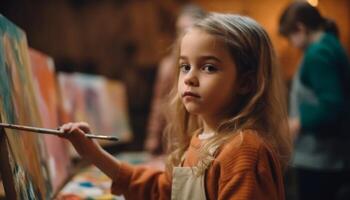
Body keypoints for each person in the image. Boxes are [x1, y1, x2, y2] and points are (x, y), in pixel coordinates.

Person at [60, 13, 292, 199]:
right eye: (185, 66)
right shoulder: (201, 138)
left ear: (245, 82)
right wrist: (93, 153)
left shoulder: (245, 152)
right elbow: (163, 190)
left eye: (209, 67)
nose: (190, 78)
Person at [279, 2, 350, 200]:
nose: (291, 43)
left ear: (300, 28)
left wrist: (297, 122)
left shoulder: (318, 54)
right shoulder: (330, 44)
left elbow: (333, 106)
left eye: (289, 36)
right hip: (331, 156)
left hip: (320, 158)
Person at [145, 4, 207, 154]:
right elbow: (158, 103)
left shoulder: (209, 64)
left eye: (189, 30)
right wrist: (153, 137)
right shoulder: (167, 66)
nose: (183, 35)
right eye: (180, 30)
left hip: (202, 132)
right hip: (175, 133)